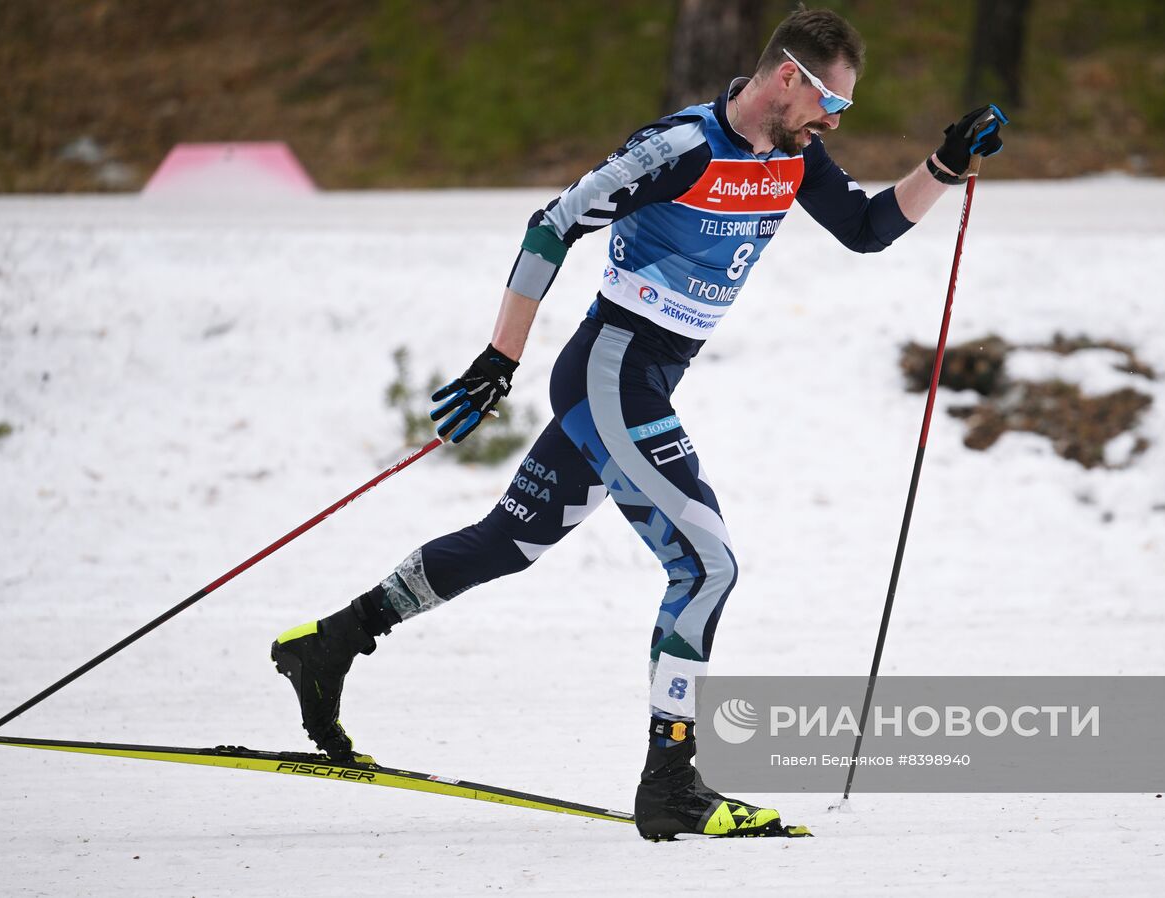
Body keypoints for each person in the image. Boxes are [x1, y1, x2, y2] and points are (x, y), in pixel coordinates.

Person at [270, 7, 1005, 841]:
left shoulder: (794, 159)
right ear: (788, 78)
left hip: (639, 382)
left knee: (505, 542)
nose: (836, 122)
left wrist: (946, 163)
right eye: (831, 104)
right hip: (613, 372)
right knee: (708, 566)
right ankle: (672, 785)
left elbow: (870, 231)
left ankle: (331, 642)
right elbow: (552, 225)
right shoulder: (683, 147)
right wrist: (498, 357)